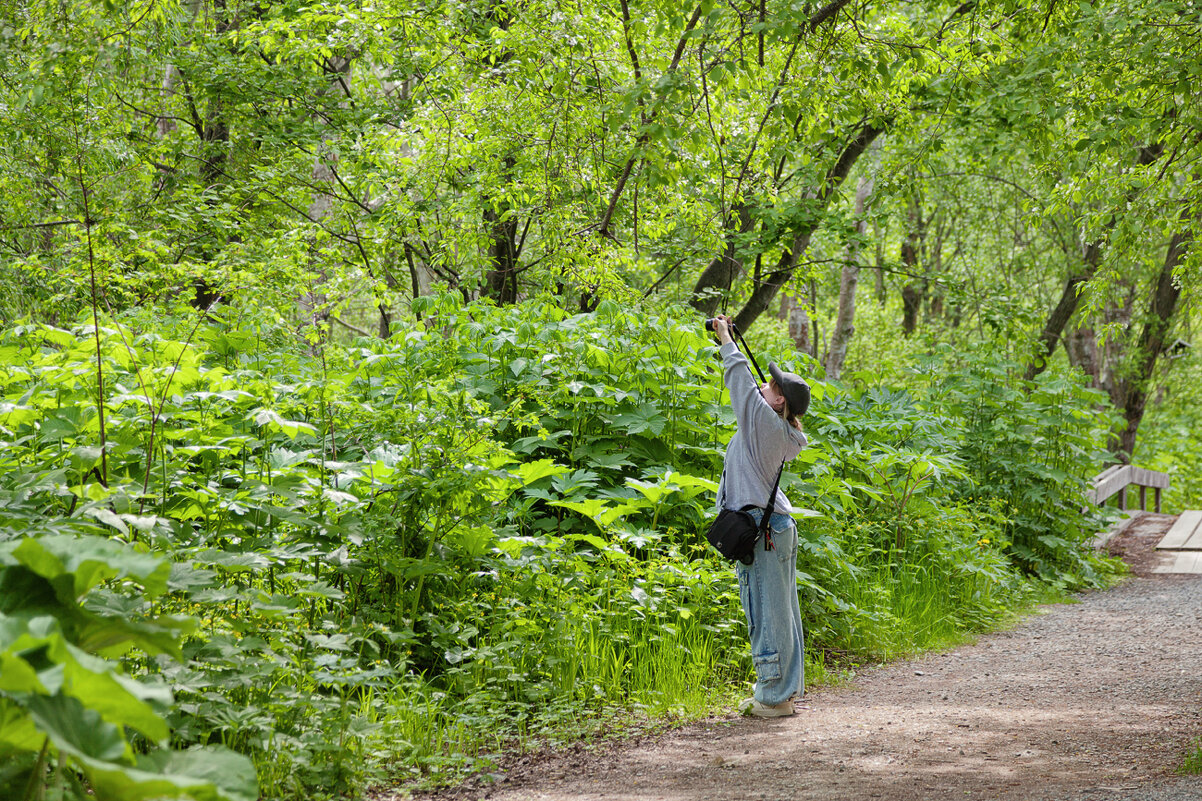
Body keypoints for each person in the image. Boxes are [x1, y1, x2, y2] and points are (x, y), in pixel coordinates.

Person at [710, 314, 811, 718]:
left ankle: (772, 697)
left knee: (765, 611)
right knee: (781, 612)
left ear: (780, 400)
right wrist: (733, 337)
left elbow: (740, 382)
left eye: (771, 385)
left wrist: (724, 340)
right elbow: (751, 388)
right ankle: (783, 693)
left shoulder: (764, 425)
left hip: (764, 532)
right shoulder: (775, 426)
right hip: (777, 529)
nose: (764, 385)